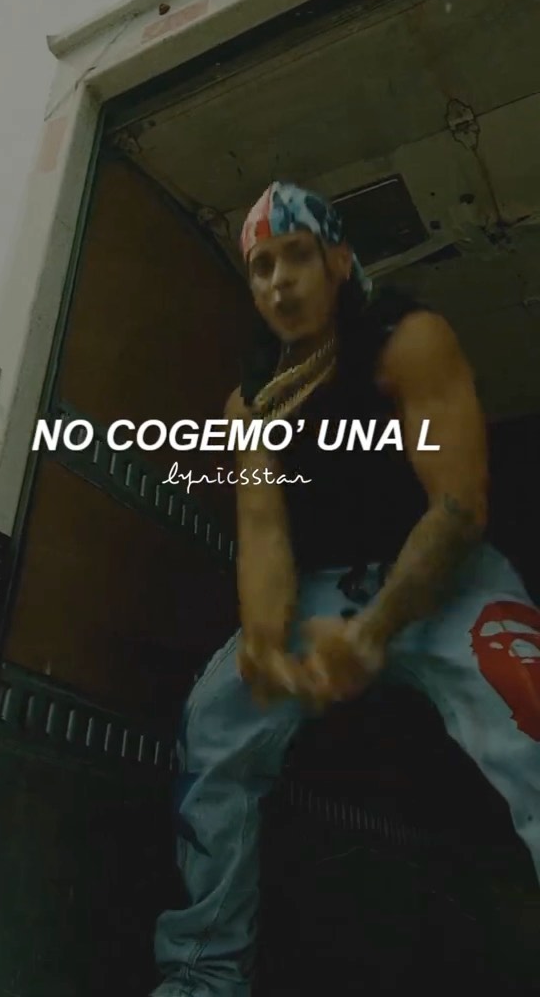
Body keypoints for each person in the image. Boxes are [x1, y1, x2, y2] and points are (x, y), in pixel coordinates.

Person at [151, 182, 540, 997]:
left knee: (528, 704)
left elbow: (459, 507)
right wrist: (265, 639)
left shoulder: (409, 338)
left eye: (297, 256)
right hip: (324, 587)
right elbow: (263, 532)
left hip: (444, 572)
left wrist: (375, 631)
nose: (280, 282)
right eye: (261, 267)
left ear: (337, 259)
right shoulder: (251, 400)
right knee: (213, 725)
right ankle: (202, 975)